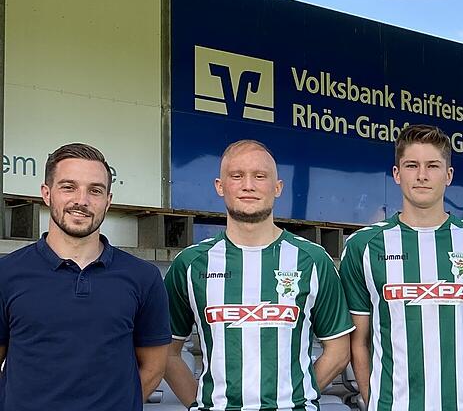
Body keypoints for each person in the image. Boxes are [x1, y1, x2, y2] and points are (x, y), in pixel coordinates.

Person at [164, 140, 354, 410]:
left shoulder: (312, 260)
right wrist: (200, 403)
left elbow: (338, 350)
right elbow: (167, 353)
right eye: (237, 175)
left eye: (260, 176)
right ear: (220, 186)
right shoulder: (191, 264)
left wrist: (298, 397)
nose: (248, 185)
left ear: (278, 188)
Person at [340, 124, 463, 410]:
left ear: (448, 175)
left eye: (433, 166)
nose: (422, 175)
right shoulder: (363, 246)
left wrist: (460, 383)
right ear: (396, 174)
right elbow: (358, 343)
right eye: (412, 165)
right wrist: (375, 401)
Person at [0, 143, 171, 410]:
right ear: (46, 194)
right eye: (68, 187)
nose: (82, 200)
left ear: (108, 200)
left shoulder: (143, 277)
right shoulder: (7, 273)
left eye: (95, 190)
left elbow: (154, 367)